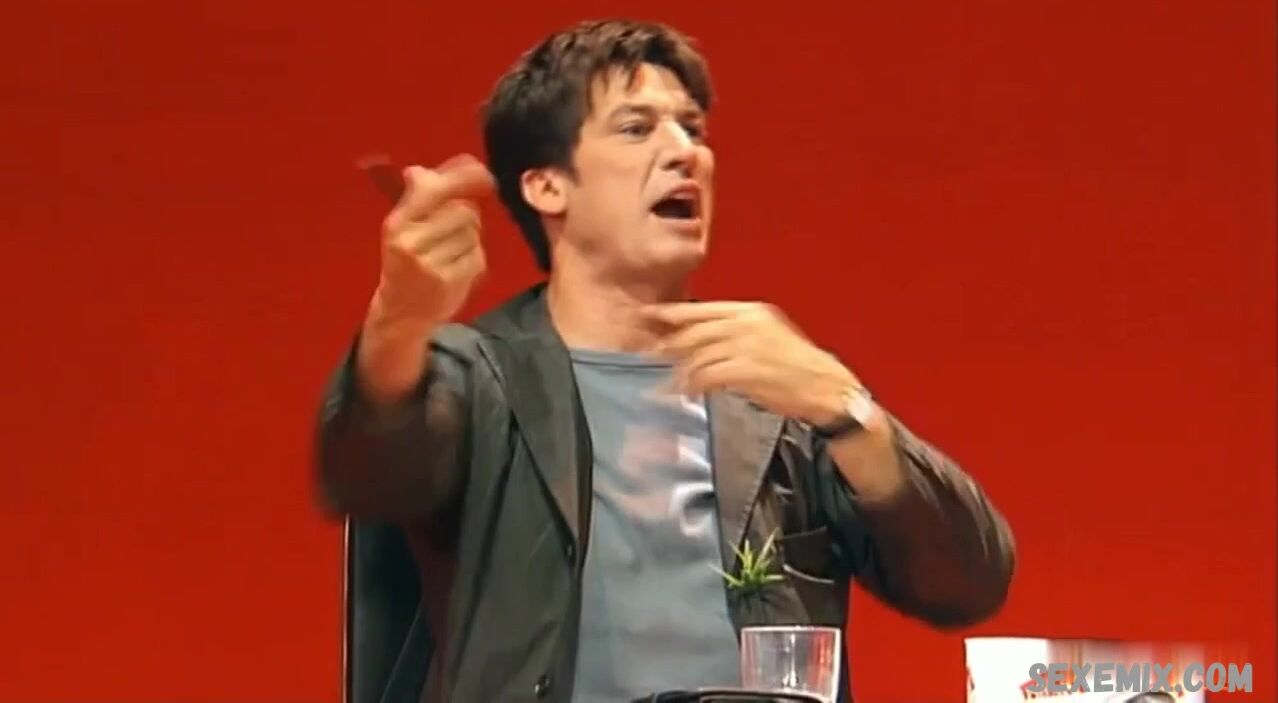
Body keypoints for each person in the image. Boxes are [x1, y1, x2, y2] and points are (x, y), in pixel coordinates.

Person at [315, 18, 1016, 703]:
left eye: (693, 129)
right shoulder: (479, 378)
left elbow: (968, 582)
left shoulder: (772, 386)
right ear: (547, 185)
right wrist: (400, 320)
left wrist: (847, 409)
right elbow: (371, 469)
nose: (685, 153)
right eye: (636, 128)